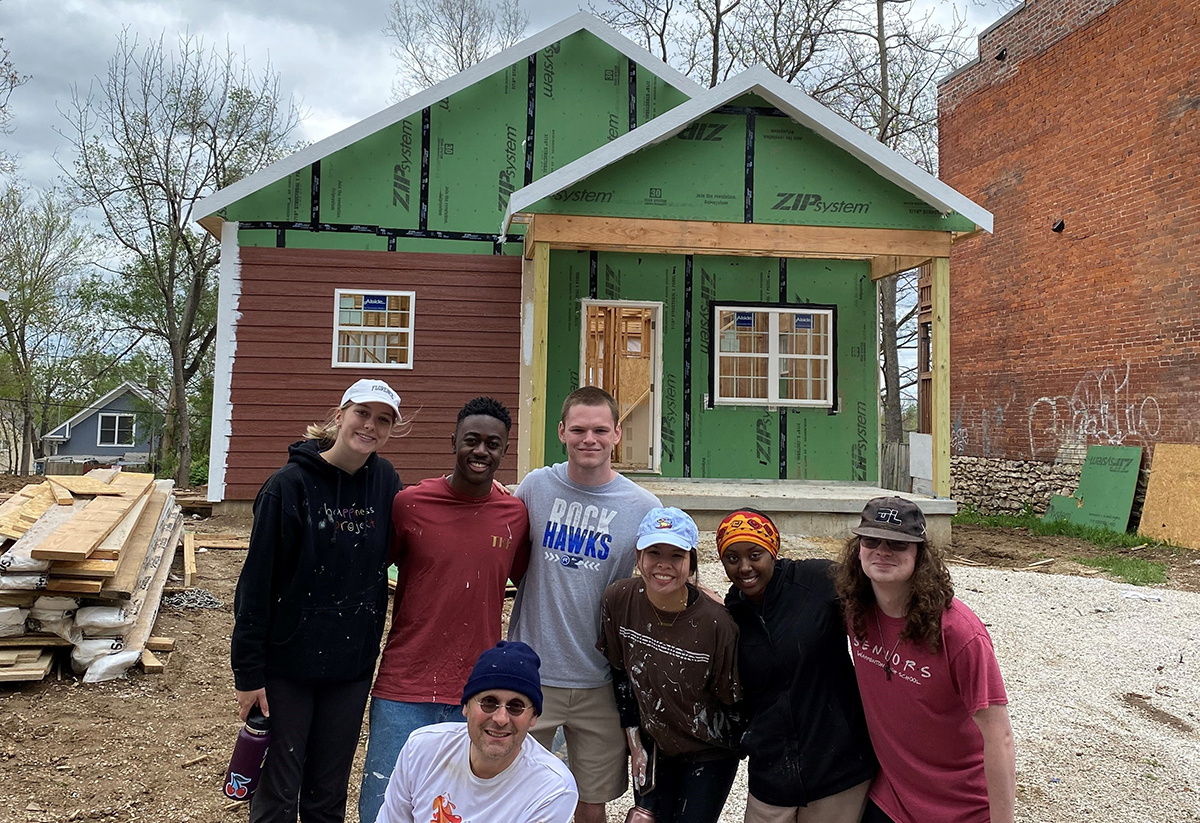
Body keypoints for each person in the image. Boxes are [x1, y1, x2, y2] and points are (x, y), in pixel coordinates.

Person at [230, 378, 404, 823]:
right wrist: (248, 673)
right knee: (278, 791)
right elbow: (256, 586)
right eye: (362, 413)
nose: (370, 425)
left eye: (382, 419)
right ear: (341, 413)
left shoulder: (385, 482)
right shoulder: (287, 486)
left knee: (328, 793)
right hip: (288, 665)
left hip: (351, 665)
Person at [358, 396, 532, 823]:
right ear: (452, 441)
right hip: (404, 684)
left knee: (456, 810)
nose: (481, 451)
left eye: (493, 444)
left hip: (476, 694)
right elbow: (365, 573)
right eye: (471, 440)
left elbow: (534, 579)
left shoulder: (515, 516)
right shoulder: (409, 505)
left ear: (504, 451)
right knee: (382, 805)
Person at [507, 386, 660, 823]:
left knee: (589, 799)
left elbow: (669, 578)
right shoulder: (536, 487)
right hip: (533, 671)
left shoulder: (642, 508)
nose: (587, 439)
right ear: (561, 432)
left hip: (600, 680)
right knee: (517, 792)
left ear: (616, 434)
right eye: (578, 429)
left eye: (599, 430)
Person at [834, 497, 1016, 823]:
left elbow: (998, 736)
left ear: (919, 554)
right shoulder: (854, 608)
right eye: (872, 539)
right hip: (890, 798)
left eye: (898, 543)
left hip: (961, 806)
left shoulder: (959, 633)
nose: (883, 550)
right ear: (858, 547)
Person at [719, 508, 877, 823]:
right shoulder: (731, 616)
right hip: (772, 773)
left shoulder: (817, 581)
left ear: (773, 551)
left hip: (838, 769)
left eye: (755, 554)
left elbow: (878, 594)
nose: (745, 567)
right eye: (732, 558)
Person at [598, 506, 743, 823]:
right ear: (639, 557)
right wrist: (635, 744)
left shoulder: (717, 623)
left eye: (676, 555)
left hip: (709, 749)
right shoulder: (619, 600)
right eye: (654, 552)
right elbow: (622, 677)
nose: (663, 565)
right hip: (653, 744)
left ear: (691, 563)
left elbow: (732, 702)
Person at [374, 640, 579, 823]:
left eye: (516, 707)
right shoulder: (421, 750)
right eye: (489, 703)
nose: (500, 719)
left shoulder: (553, 789)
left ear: (533, 717)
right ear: (465, 706)